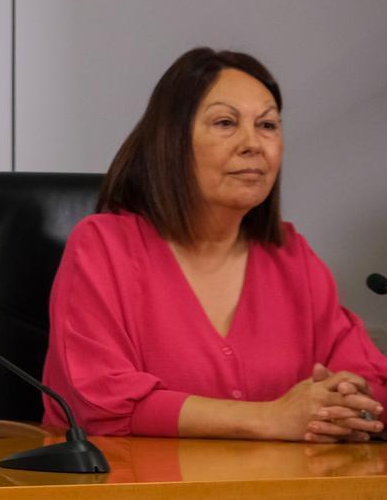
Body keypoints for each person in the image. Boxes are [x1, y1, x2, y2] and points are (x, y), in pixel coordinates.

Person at [43, 48, 387, 442]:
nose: (253, 144)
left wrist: (348, 403)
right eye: (226, 122)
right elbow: (98, 401)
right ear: (170, 141)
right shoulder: (104, 246)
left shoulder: (292, 257)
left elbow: (371, 380)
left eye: (268, 126)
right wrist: (270, 418)